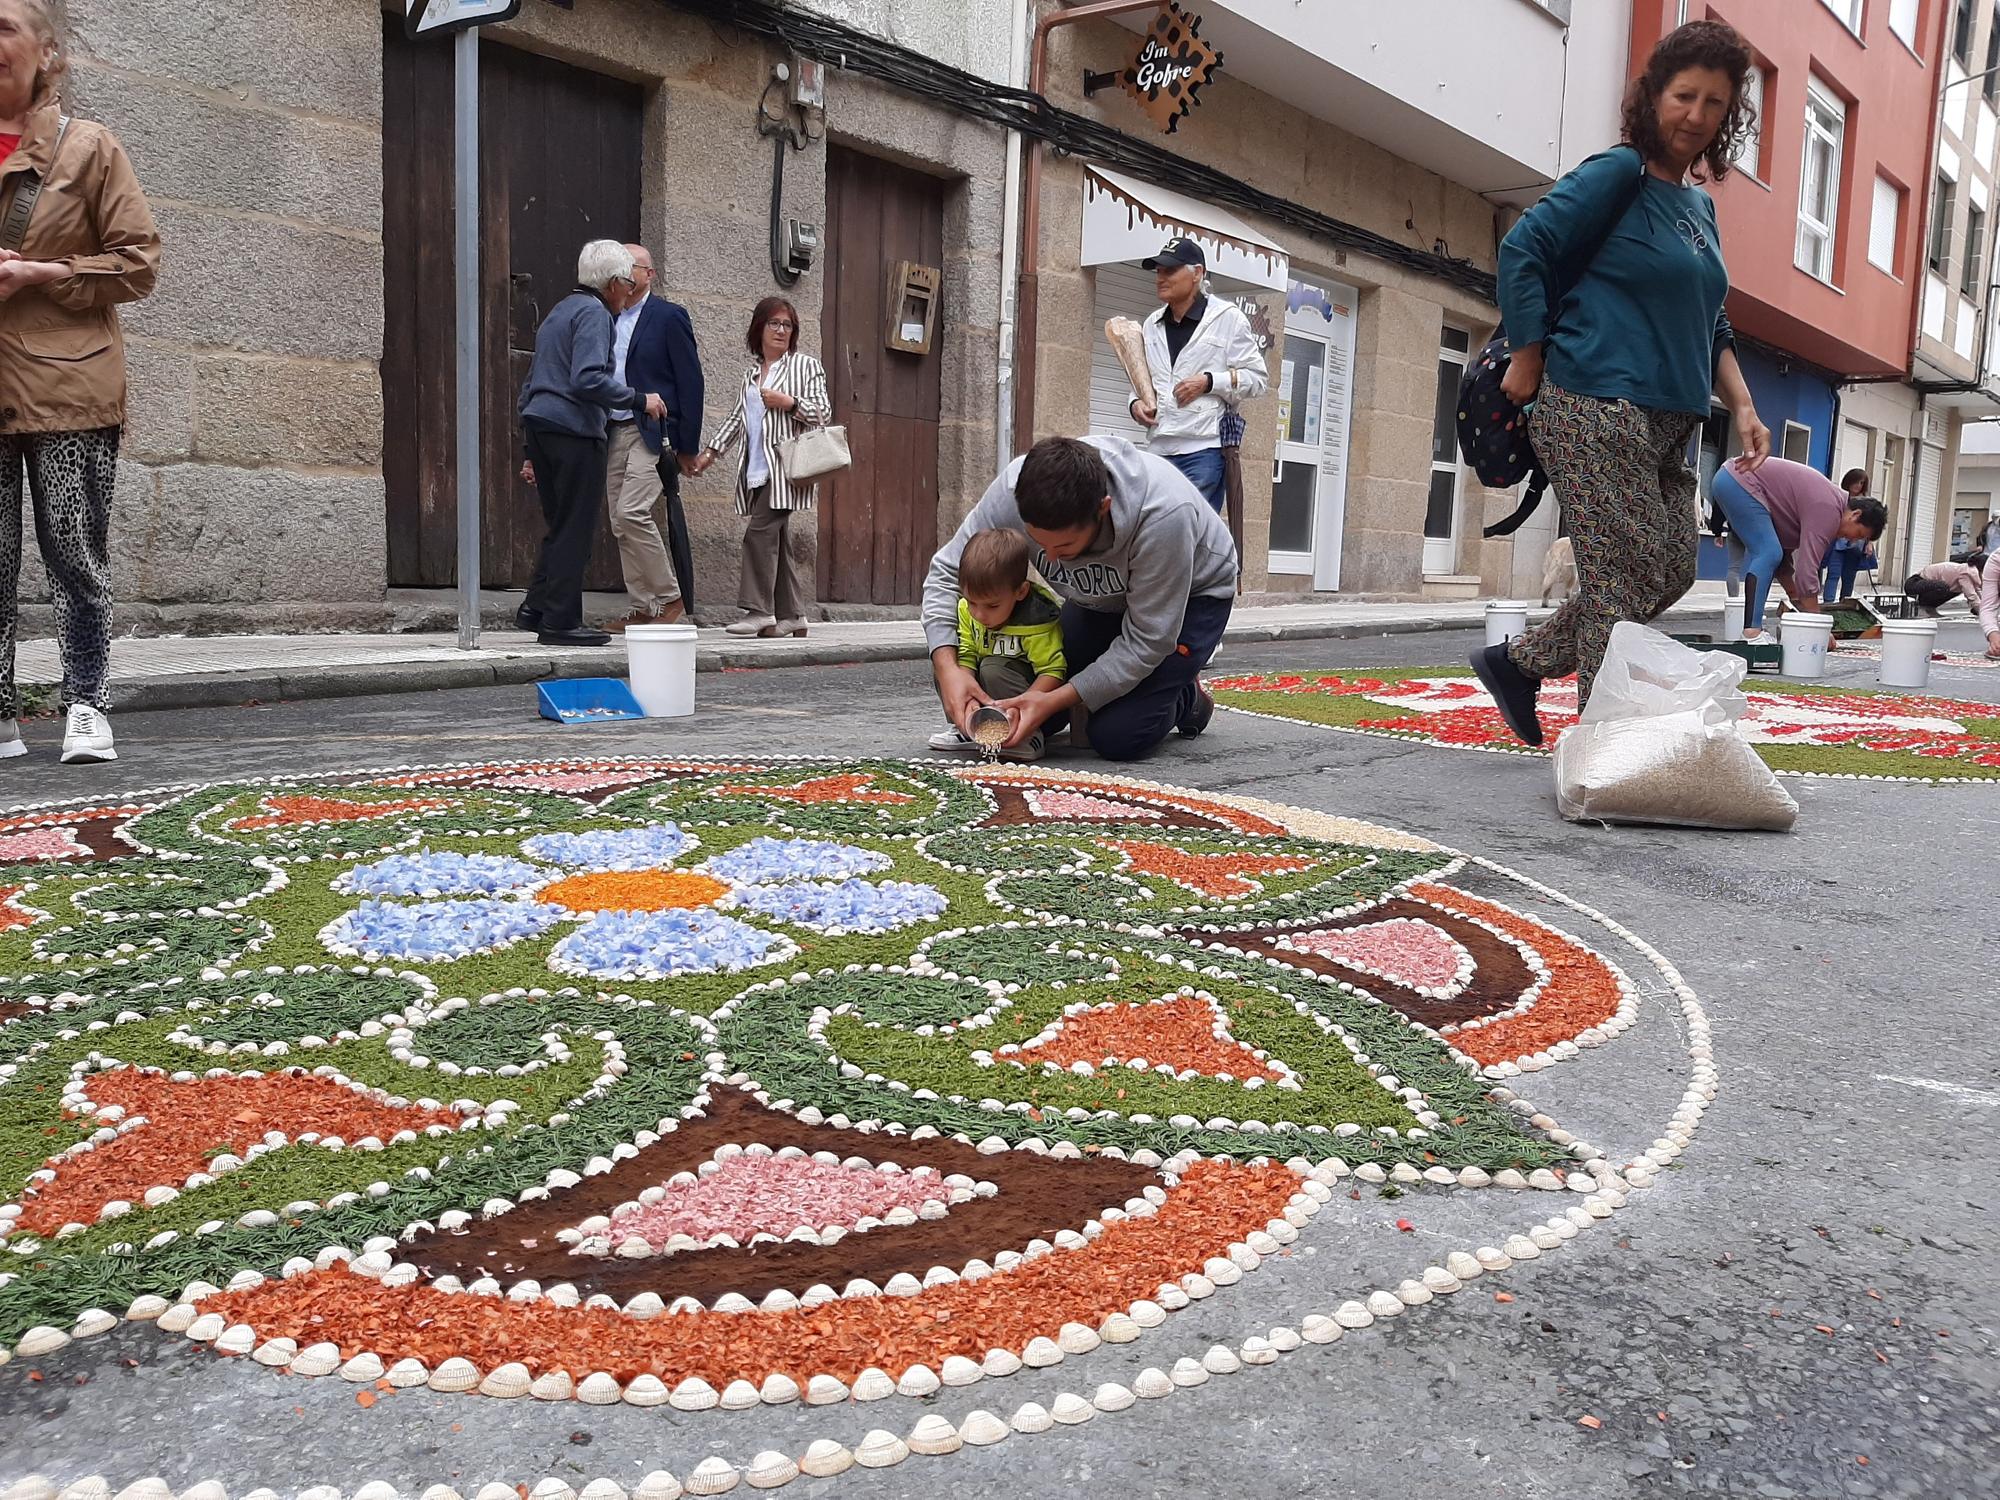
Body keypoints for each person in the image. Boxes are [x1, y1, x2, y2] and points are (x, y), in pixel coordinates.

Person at [1472, 19, 1770, 747]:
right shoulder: (1619, 174)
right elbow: (1525, 247)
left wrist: (1744, 402)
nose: (1696, 116)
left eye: (1714, 105)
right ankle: (1599, 746)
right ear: (1654, 95)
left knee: (1665, 572)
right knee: (1617, 576)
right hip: (1592, 401)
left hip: (1674, 418)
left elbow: (1713, 322)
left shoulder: (1698, 208)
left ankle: (1517, 663)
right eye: (1684, 96)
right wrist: (1529, 355)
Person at [0, 0, 159, 766]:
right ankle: (0, 713)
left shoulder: (88, 147)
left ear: (47, 53)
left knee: (73, 550)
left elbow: (138, 262)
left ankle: (86, 703)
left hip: (70, 389)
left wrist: (44, 272)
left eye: (2, 27)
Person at [924, 434, 1237, 762]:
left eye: (1064, 547)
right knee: (1037, 715)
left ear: (1103, 509)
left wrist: (1056, 699)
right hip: (1097, 599)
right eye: (1038, 543)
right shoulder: (1012, 491)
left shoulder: (1164, 515)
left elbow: (1148, 640)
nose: (1052, 561)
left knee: (1117, 735)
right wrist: (949, 670)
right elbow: (945, 573)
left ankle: (1187, 696)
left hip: (1193, 599)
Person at [515, 239, 666, 647]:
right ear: (614, 283)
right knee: (576, 527)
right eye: (628, 286)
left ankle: (536, 608)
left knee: (560, 523)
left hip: (542, 425)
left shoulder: (560, 310)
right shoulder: (595, 314)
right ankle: (561, 621)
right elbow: (587, 379)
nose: (629, 294)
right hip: (573, 430)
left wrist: (530, 450)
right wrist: (639, 399)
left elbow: (531, 383)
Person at [689, 296, 832, 638]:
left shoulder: (805, 366)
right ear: (760, 328)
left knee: (759, 533)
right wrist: (710, 453)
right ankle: (794, 614)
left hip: (786, 469)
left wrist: (790, 402)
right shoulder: (752, 374)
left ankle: (758, 610)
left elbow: (822, 412)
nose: (782, 330)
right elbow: (738, 419)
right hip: (756, 469)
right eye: (775, 323)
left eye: (788, 325)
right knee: (776, 540)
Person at [1126, 237, 1268, 514]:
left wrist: (1210, 382)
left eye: (1170, 270)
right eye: (1158, 271)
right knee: (1153, 531)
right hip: (1157, 448)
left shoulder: (1227, 318)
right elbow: (1144, 382)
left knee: (1190, 529)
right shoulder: (1151, 325)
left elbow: (1258, 379)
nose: (1160, 278)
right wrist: (1134, 405)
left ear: (1197, 273)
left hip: (1203, 450)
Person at [603, 241, 703, 630]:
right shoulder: (607, 316)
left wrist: (688, 445)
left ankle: (669, 596)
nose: (628, 273)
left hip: (653, 431)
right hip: (613, 429)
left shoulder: (668, 316)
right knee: (618, 520)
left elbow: (691, 382)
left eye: (635, 267)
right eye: (622, 267)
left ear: (650, 275)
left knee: (632, 511)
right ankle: (644, 606)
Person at [926, 528, 1067, 763]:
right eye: (971, 602)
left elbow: (1053, 671)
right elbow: (968, 654)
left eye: (992, 606)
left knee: (993, 667)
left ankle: (1029, 734)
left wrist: (1027, 704)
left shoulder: (1036, 619)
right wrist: (967, 697)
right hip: (986, 694)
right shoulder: (966, 611)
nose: (979, 614)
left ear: (1020, 592)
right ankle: (966, 727)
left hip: (1022, 693)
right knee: (946, 665)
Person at [1708, 456, 1886, 638]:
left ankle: (1753, 630)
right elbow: (1807, 572)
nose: (1853, 540)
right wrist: (1819, 629)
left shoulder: (1828, 505)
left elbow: (1783, 565)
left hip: (1731, 477)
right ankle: (1752, 633)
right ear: (1855, 515)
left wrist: (1795, 598)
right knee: (1768, 552)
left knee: (1772, 553)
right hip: (1739, 479)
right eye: (1859, 534)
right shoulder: (1829, 509)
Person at [1820, 467, 1876, 604]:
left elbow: (1871, 525)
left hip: (1857, 545)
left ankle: (1844, 603)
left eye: (1861, 483)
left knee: (1849, 576)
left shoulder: (1867, 503)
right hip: (1838, 542)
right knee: (1833, 573)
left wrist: (1869, 543)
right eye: (1856, 482)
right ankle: (1828, 603)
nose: (1858, 485)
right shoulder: (1840, 498)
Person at [1905, 552, 1986, 616]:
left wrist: (1984, 608)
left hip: (1922, 584)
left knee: (1953, 590)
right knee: (1942, 587)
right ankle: (1923, 608)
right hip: (1914, 583)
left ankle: (1930, 608)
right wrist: (1982, 612)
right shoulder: (1966, 573)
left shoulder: (1971, 573)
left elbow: (1977, 592)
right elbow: (1971, 595)